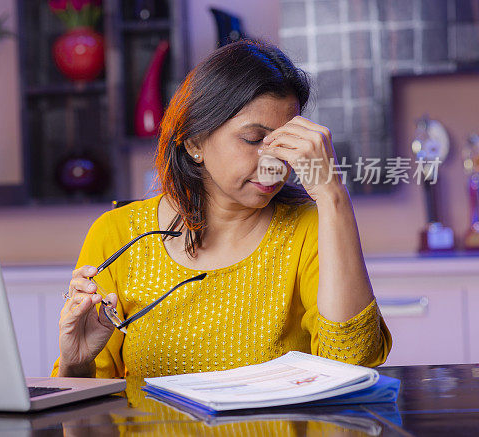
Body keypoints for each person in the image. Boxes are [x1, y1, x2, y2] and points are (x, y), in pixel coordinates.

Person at [52, 39, 392, 379]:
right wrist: (74, 363)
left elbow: (353, 362)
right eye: (253, 139)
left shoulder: (309, 226)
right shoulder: (118, 234)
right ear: (195, 142)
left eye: (285, 141)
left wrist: (331, 194)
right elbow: (85, 413)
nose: (275, 161)